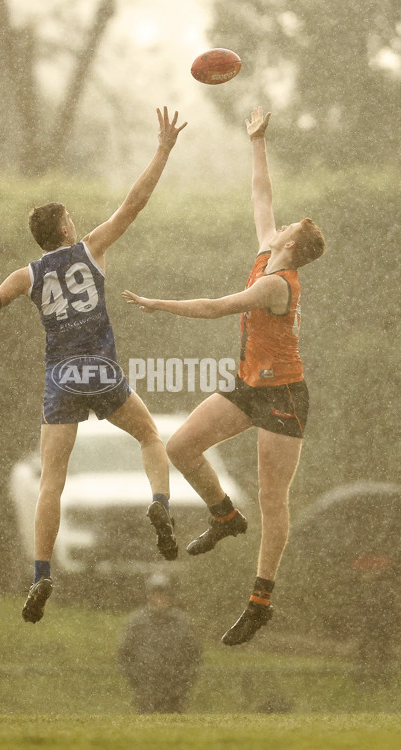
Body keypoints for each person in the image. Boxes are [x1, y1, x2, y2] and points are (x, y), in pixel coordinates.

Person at [0, 106, 187, 623]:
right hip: (102, 370)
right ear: (66, 226)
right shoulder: (92, 249)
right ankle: (159, 500)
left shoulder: (26, 275)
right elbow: (134, 203)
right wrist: (162, 150)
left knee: (52, 480)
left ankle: (42, 573)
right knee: (150, 438)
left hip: (63, 378)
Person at [122, 106, 325, 646]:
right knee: (181, 447)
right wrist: (257, 141)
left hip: (283, 395)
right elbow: (262, 198)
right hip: (249, 385)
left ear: (292, 245)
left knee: (274, 498)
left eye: (290, 228)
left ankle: (261, 600)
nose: (281, 224)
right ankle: (224, 516)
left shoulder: (277, 283)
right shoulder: (268, 252)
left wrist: (158, 304)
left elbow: (216, 307)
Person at [118, 573, 202, 713]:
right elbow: (125, 655)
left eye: (163, 594)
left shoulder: (182, 622)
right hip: (146, 693)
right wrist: (138, 681)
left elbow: (194, 655)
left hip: (175, 695)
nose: (160, 598)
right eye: (156, 594)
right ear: (149, 596)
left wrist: (183, 683)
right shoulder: (137, 623)